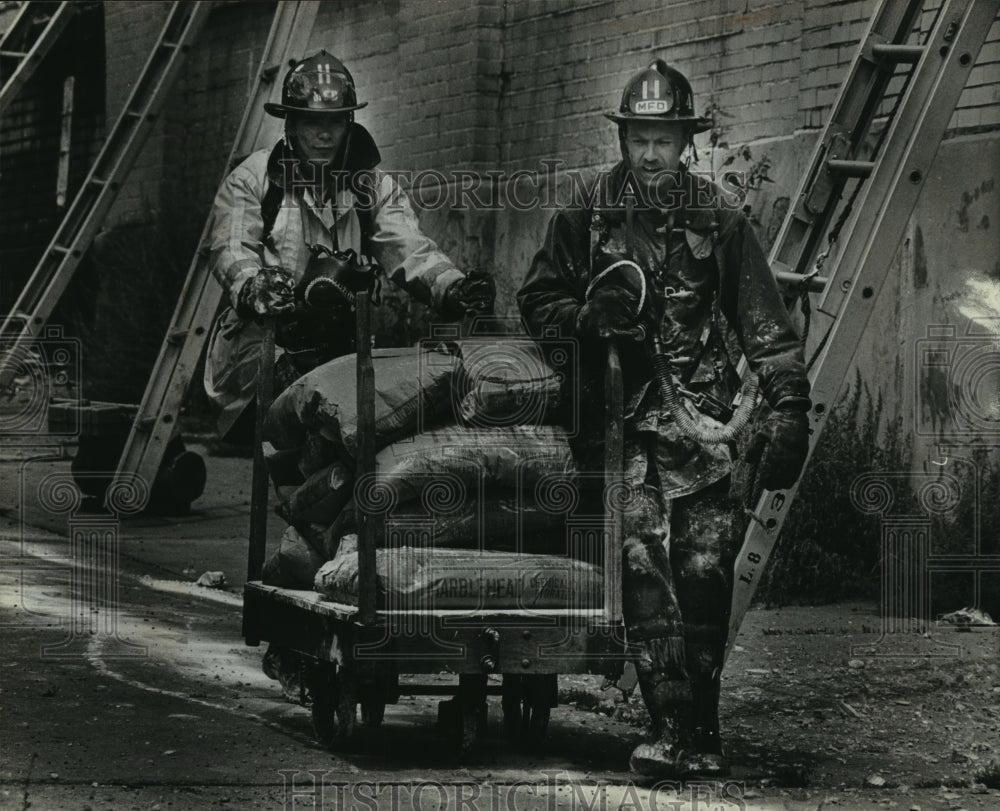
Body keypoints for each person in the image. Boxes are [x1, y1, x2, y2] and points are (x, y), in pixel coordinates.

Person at [517, 60, 811, 778]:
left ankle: (702, 733)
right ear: (624, 139)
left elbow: (763, 325)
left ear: (687, 140)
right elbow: (536, 302)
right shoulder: (585, 213)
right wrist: (584, 320)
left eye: (665, 139)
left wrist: (790, 408)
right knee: (644, 565)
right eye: (640, 138)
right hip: (622, 429)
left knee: (706, 573)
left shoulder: (720, 217)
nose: (652, 154)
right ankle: (670, 726)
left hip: (702, 430)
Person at [204, 50, 494, 437]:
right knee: (298, 433)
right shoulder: (254, 178)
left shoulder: (371, 186)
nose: (324, 134)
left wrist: (452, 285)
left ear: (349, 123)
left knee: (340, 440)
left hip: (336, 344)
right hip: (263, 348)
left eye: (335, 122)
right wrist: (254, 285)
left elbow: (406, 244)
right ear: (290, 123)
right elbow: (232, 245)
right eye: (312, 122)